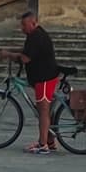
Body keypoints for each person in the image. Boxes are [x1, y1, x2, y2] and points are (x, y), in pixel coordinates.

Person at [19, 10, 61, 155]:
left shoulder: (36, 36)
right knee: (47, 111)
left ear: (33, 23)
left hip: (44, 77)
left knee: (42, 111)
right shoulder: (35, 35)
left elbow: (26, 58)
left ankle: (42, 145)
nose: (22, 28)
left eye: (24, 25)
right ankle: (50, 141)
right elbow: (28, 53)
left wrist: (8, 55)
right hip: (45, 76)